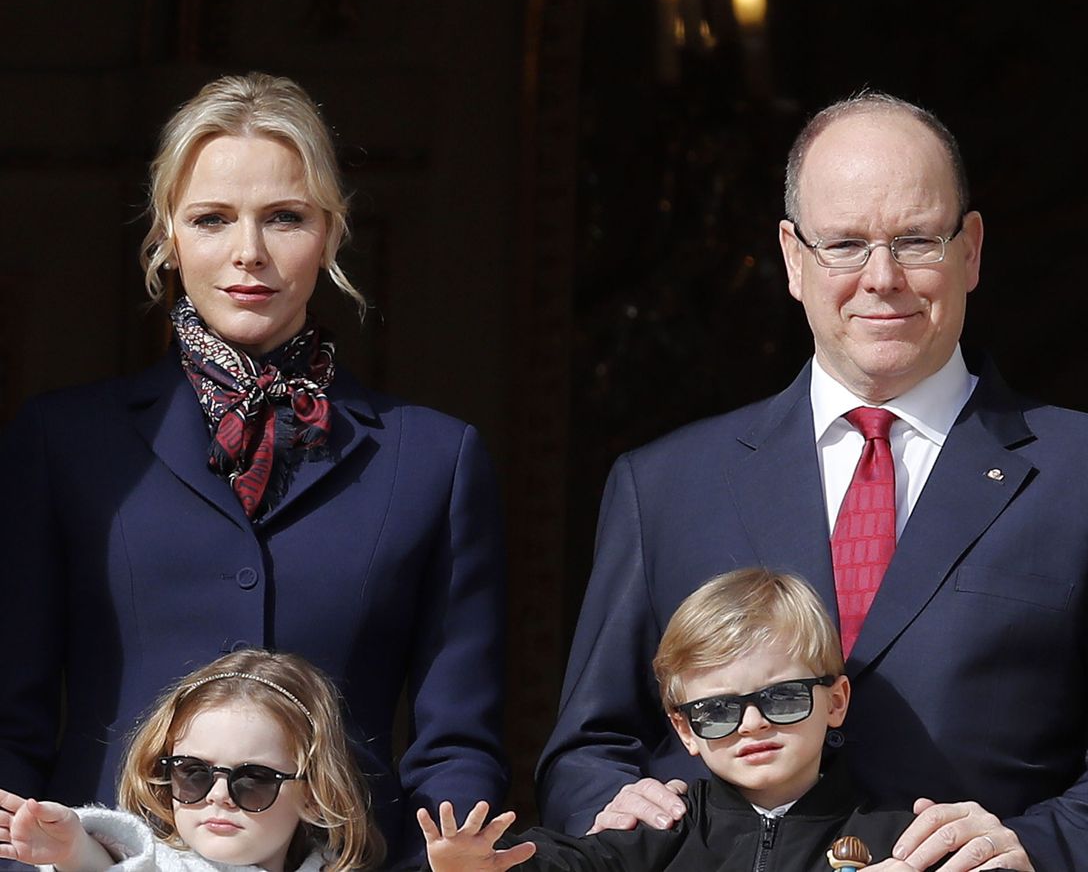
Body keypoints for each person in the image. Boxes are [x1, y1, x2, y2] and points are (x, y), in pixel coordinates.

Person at [535, 92, 1088, 871]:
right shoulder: (665, 486)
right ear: (792, 258)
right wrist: (612, 809)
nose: (881, 278)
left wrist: (1037, 847)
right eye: (845, 244)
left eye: (916, 240)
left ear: (972, 249)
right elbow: (587, 747)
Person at [0, 73, 509, 869]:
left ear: (333, 233)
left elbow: (457, 743)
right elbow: (10, 723)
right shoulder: (64, 442)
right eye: (211, 219)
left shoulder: (434, 460)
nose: (249, 253)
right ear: (167, 236)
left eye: (285, 217)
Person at [421, 569, 991, 872]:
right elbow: (562, 863)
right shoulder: (657, 835)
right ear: (685, 731)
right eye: (716, 711)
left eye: (784, 698)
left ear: (836, 701)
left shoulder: (902, 840)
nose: (751, 725)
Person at [0, 649, 384, 872]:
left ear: (314, 795)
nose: (219, 796)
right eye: (194, 773)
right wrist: (72, 851)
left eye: (253, 779)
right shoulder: (162, 864)